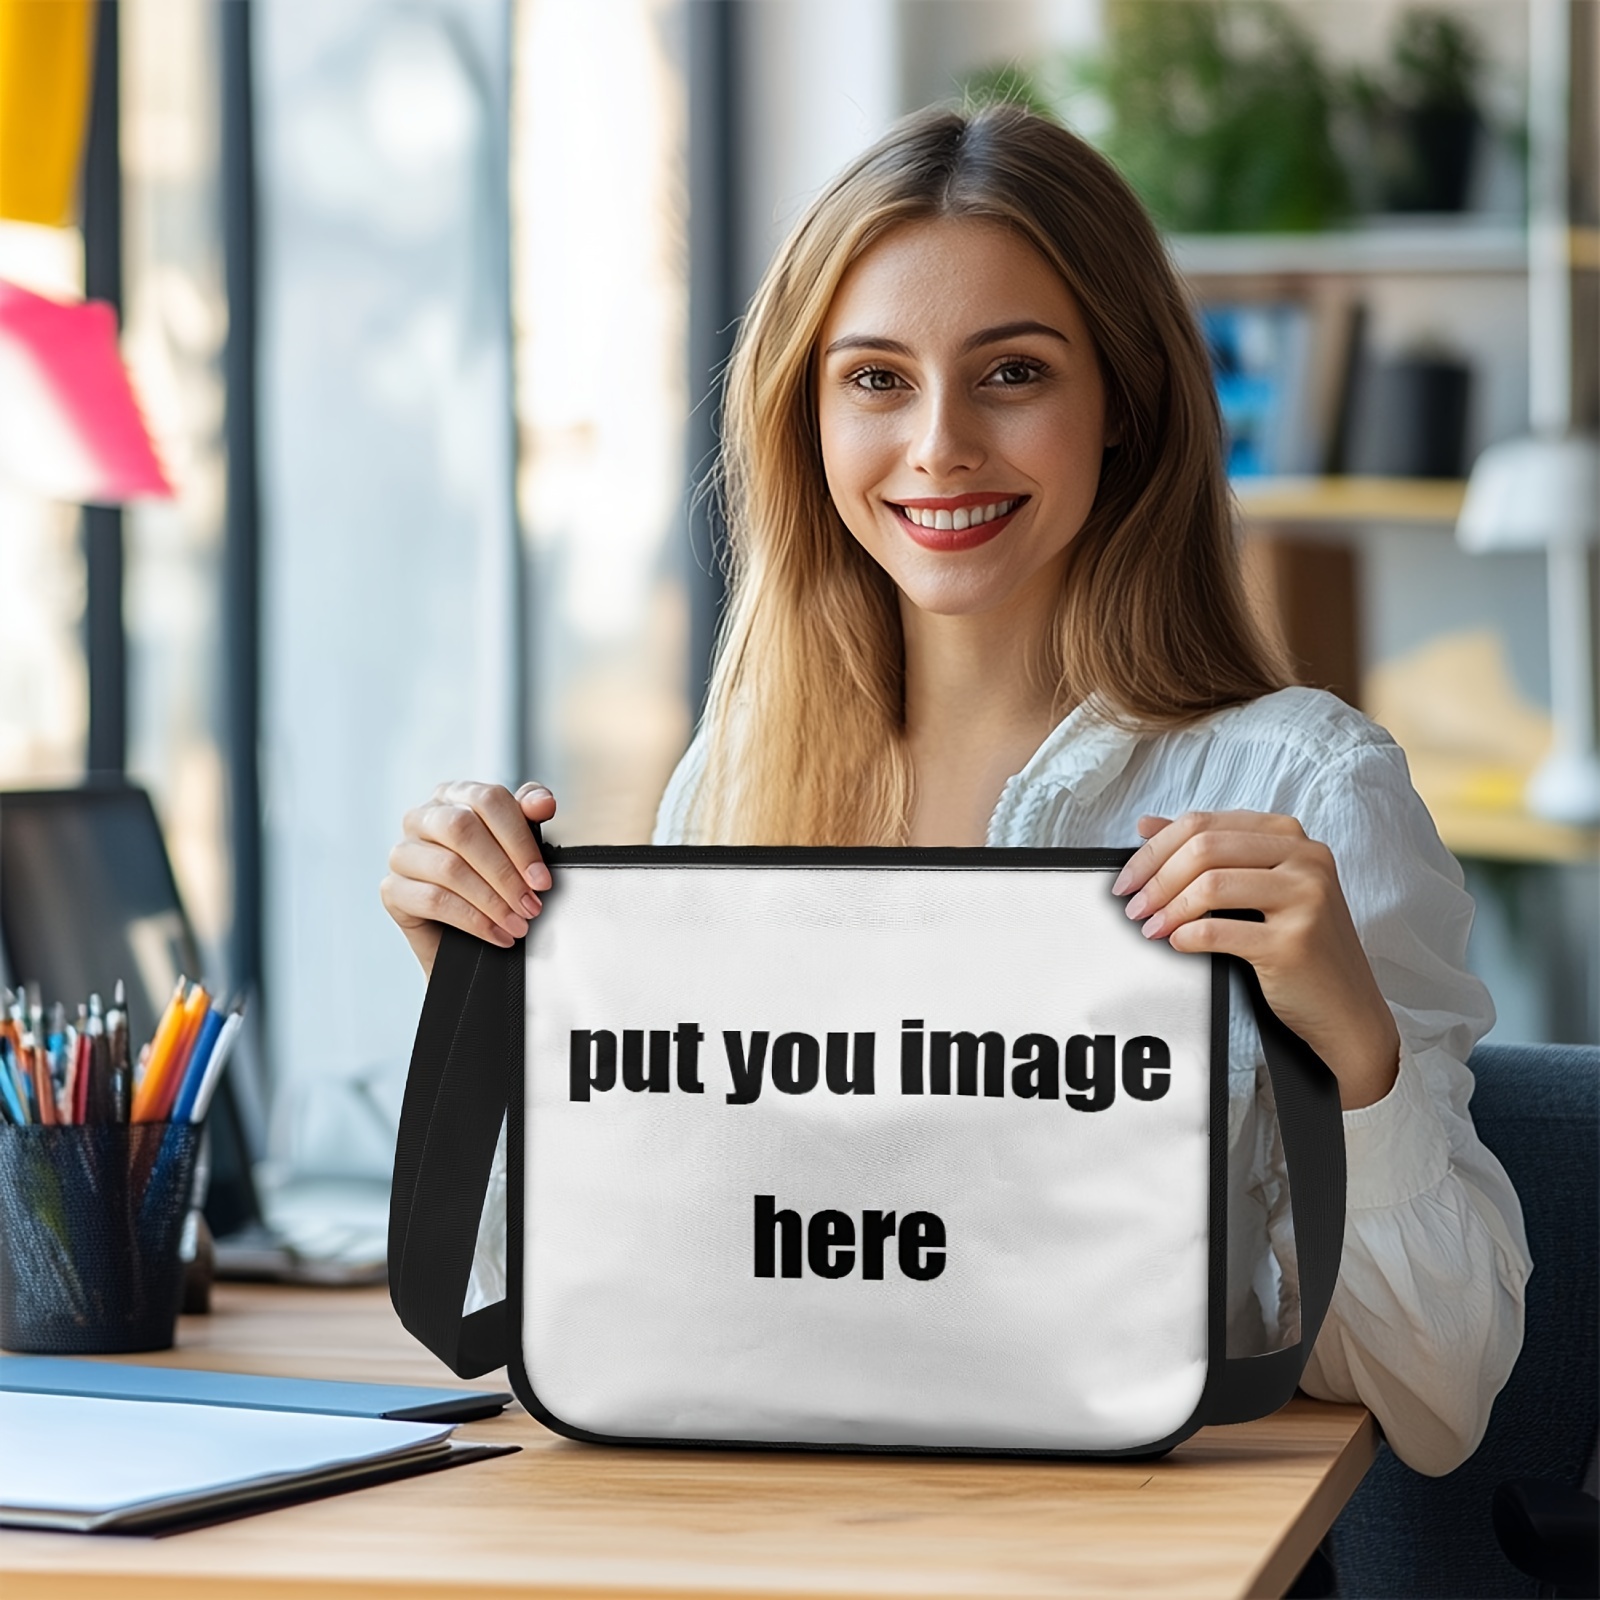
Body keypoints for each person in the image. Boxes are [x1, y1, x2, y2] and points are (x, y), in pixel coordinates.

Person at [381, 103, 1529, 1476]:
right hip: (773, 1536)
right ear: (805, 421)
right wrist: (488, 1006)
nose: (939, 447)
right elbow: (612, 1304)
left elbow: (1444, 1395)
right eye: (875, 378)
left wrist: (1354, 1054)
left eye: (1013, 373)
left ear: (1126, 403)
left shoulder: (1302, 788)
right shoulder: (741, 775)